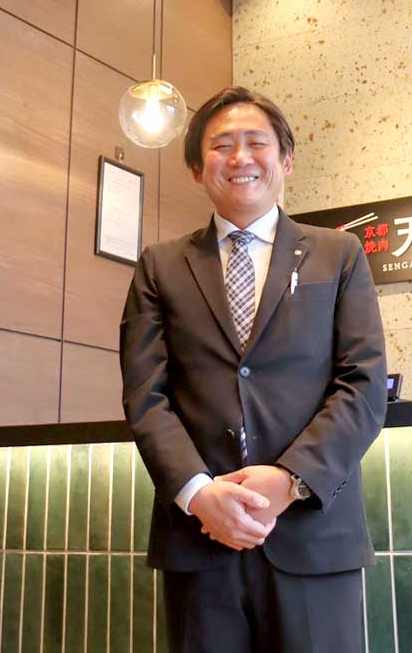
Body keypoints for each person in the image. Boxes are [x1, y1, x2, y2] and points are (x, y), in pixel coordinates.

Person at [119, 86, 387, 653]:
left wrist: (290, 479)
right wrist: (197, 493)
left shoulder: (338, 255)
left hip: (314, 536)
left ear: (285, 160)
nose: (240, 157)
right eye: (221, 146)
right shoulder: (160, 267)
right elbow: (146, 396)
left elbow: (362, 386)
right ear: (197, 169)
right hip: (200, 539)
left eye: (256, 143)